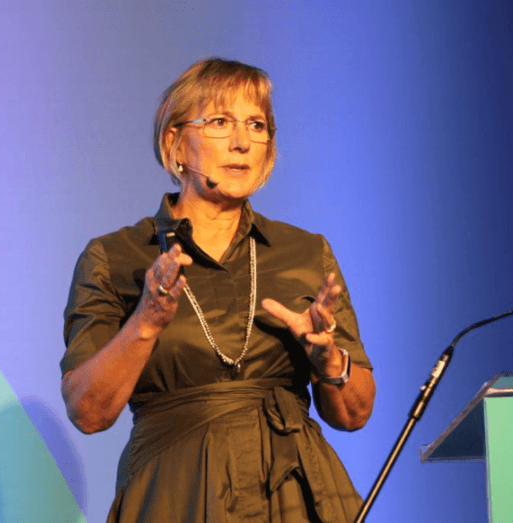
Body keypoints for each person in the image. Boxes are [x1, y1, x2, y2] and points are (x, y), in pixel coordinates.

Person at [61, 57, 376, 522]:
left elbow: (355, 413)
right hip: (177, 493)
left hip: (295, 496)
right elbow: (88, 411)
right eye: (220, 122)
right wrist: (145, 321)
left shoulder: (306, 252)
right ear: (175, 144)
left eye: (257, 124)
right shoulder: (117, 257)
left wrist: (327, 358)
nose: (242, 142)